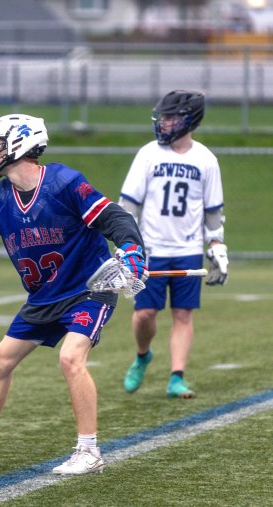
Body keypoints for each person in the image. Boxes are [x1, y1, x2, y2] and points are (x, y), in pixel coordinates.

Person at [0, 114, 147, 474]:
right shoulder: (0, 197)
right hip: (44, 296)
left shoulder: (64, 182)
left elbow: (115, 217)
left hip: (88, 289)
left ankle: (89, 452)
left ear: (19, 143)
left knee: (70, 357)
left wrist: (130, 248)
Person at [119, 90, 228, 399]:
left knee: (183, 314)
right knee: (145, 314)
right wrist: (127, 243)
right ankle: (143, 355)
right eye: (162, 117)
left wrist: (217, 246)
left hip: (188, 249)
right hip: (151, 248)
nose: (163, 123)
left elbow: (212, 210)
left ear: (189, 120)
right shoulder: (148, 154)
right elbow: (129, 204)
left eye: (170, 118)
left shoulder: (205, 160)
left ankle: (176, 377)